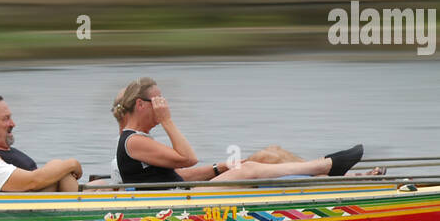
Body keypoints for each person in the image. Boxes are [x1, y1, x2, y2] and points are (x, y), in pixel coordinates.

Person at [110, 77, 368, 184]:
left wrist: (218, 168)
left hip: (183, 194)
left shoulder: (140, 141)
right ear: (141, 105)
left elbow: (177, 173)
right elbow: (188, 157)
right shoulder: (132, 142)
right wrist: (167, 121)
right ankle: (326, 166)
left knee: (269, 153)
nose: (163, 105)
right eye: (158, 101)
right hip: (181, 203)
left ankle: (333, 178)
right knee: (249, 170)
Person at [0, 96, 82, 193]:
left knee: (60, 171)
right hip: (5, 220)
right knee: (59, 167)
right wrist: (72, 163)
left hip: (13, 212)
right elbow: (33, 181)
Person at [0, 93, 37, 170]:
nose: (13, 124)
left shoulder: (8, 152)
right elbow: (34, 180)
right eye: (5, 119)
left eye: (10, 117)